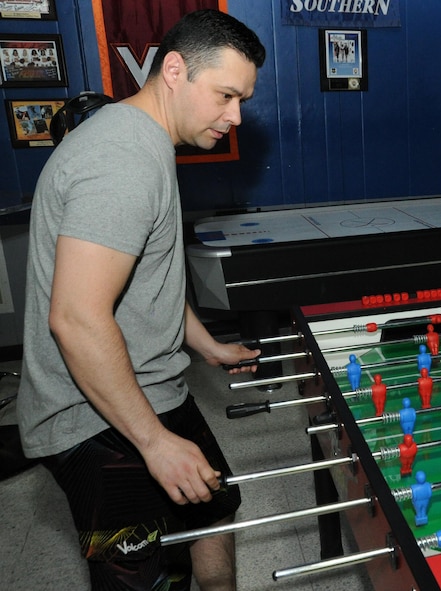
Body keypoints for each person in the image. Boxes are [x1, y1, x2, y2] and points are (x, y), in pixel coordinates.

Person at [17, 10, 266, 590]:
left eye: (243, 100)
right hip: (88, 410)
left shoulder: (142, 138)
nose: (235, 117)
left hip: (150, 382)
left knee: (213, 510)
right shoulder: (122, 160)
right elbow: (77, 318)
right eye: (226, 95)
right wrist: (153, 443)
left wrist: (207, 345)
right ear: (175, 69)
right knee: (132, 574)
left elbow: (141, 277)